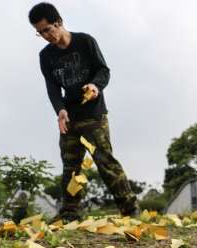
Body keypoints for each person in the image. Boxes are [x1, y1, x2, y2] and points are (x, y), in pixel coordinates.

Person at [29, 3, 137, 221]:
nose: (46, 35)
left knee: (105, 162)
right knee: (71, 167)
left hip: (94, 114)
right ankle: (70, 213)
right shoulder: (46, 56)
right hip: (69, 118)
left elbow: (103, 70)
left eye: (47, 29)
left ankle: (129, 209)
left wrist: (96, 86)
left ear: (58, 22)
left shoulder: (85, 41)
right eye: (40, 33)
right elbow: (52, 87)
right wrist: (59, 110)